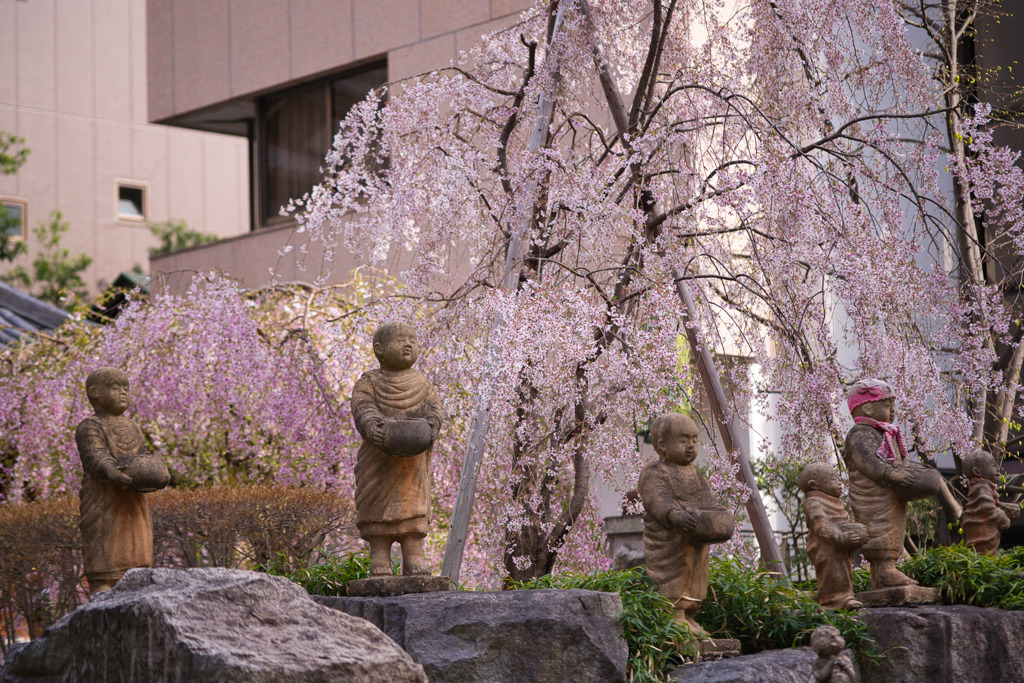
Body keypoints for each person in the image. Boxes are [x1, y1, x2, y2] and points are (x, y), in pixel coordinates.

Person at [843, 378, 962, 590]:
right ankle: (884, 572)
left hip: (891, 485)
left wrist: (900, 471)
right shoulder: (859, 434)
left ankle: (955, 511)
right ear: (868, 408)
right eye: (887, 406)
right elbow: (868, 462)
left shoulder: (884, 433)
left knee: (931, 478)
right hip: (874, 494)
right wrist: (891, 473)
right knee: (882, 529)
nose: (892, 411)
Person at [351, 321, 443, 576]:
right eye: (400, 339)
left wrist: (432, 424)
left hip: (412, 461)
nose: (408, 344)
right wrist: (372, 426)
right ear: (379, 349)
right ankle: (379, 557)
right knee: (377, 506)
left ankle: (413, 558)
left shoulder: (422, 383)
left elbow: (434, 409)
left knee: (413, 509)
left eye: (412, 339)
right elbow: (362, 407)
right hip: (378, 459)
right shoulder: (369, 381)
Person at [638, 412, 734, 634]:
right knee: (673, 575)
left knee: (696, 574)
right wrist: (674, 514)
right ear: (662, 445)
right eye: (684, 440)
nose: (691, 446)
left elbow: (709, 501)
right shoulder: (654, 473)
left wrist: (720, 514)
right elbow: (657, 500)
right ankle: (674, 614)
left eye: (694, 440)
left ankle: (689, 615)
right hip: (669, 542)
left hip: (694, 538)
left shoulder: (696, 475)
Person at [76, 367, 152, 595]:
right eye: (115, 387)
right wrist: (113, 471)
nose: (122, 393)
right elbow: (96, 456)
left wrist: (153, 471)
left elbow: (144, 454)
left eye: (126, 388)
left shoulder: (132, 426)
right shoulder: (90, 426)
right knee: (105, 559)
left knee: (137, 557)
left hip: (133, 497)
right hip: (104, 500)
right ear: (95, 392)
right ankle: (102, 591)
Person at [798, 462, 867, 609]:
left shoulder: (834, 502)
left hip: (838, 544)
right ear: (814, 485)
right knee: (833, 574)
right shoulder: (813, 503)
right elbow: (821, 525)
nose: (839, 483)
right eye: (833, 479)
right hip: (825, 546)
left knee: (844, 573)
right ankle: (832, 601)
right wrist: (841, 536)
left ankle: (845, 598)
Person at [961, 449, 1020, 555]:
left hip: (984, 535)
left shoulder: (980, 487)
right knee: (984, 554)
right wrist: (1004, 518)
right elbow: (987, 508)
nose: (997, 469)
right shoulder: (982, 487)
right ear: (977, 471)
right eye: (993, 465)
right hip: (983, 537)